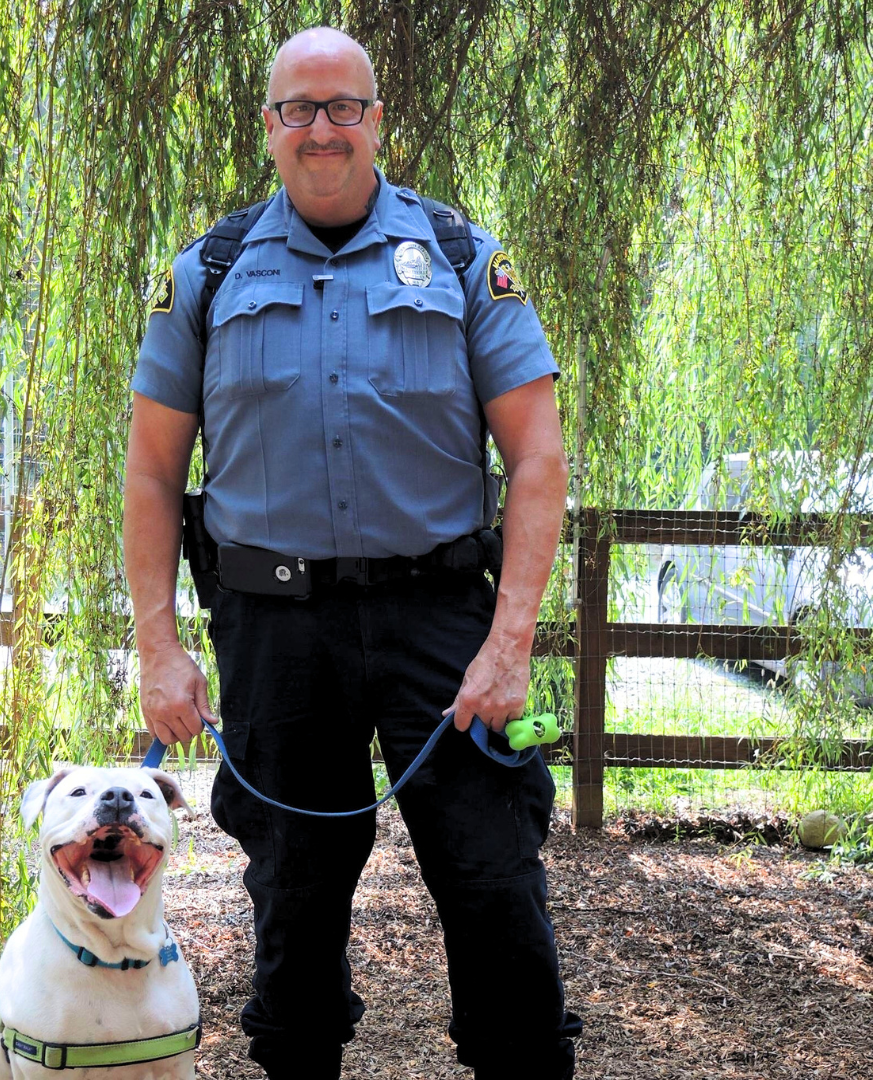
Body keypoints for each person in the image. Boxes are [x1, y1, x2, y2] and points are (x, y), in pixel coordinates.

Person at [123, 26, 580, 1080]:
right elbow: (150, 473)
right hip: (274, 632)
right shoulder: (210, 272)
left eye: (342, 107)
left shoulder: (461, 259)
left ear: (377, 120)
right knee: (292, 890)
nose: (321, 128)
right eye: (299, 108)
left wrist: (510, 645)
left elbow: (539, 460)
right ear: (270, 126)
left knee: (494, 878)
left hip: (442, 627)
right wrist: (159, 648)